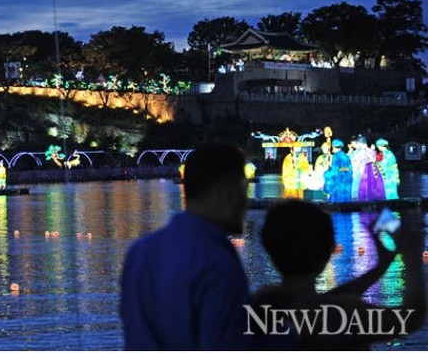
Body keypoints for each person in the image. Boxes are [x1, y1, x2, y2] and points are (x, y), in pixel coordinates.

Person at [120, 143, 265, 350]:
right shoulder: (217, 263)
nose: (246, 203)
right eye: (243, 190)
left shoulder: (139, 252)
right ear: (227, 192)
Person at [256, 200, 425, 350]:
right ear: (329, 251)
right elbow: (412, 316)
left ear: (269, 247)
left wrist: (380, 268)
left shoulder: (262, 306)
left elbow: (318, 301)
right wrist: (412, 255)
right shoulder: (350, 315)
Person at [356, 136, 385, 201]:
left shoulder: (361, 152)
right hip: (374, 169)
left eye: (357, 143)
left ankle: (366, 201)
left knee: (365, 186)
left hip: (365, 170)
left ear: (360, 143)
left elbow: (358, 163)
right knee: (373, 185)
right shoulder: (371, 151)